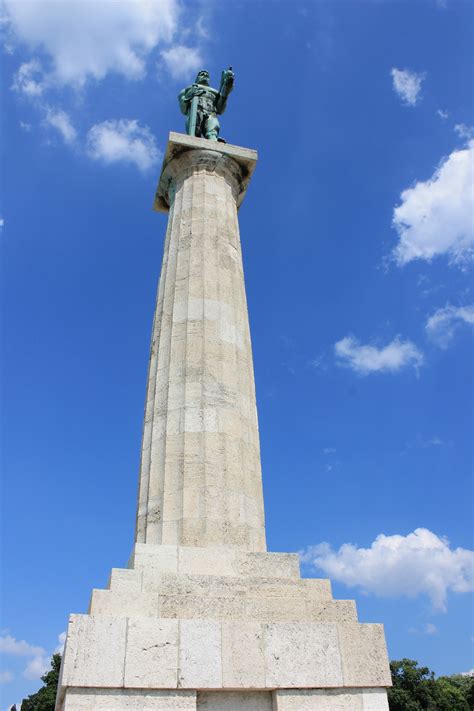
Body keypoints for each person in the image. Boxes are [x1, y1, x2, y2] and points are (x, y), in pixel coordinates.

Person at [178, 68, 234, 141]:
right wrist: (189, 96)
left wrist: (225, 89)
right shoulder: (186, 90)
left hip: (211, 113)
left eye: (206, 75)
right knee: (195, 130)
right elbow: (183, 109)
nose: (204, 75)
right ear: (196, 78)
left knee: (212, 131)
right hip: (196, 110)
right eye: (201, 74)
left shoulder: (215, 93)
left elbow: (220, 110)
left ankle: (214, 141)